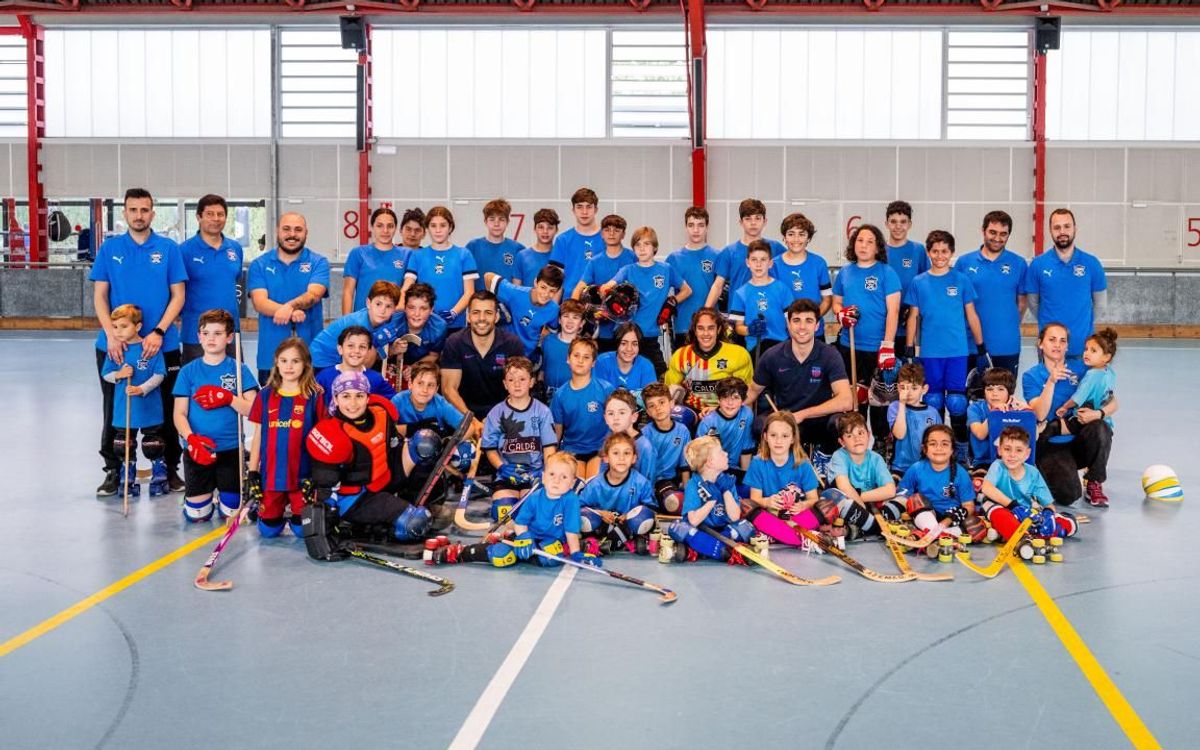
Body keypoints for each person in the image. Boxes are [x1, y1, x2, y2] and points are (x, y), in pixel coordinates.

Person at [91, 187, 186, 496]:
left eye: (144, 210)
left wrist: (158, 332)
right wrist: (111, 335)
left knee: (167, 407)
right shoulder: (110, 248)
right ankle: (114, 470)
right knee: (115, 408)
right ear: (125, 213)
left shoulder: (168, 249)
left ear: (152, 213)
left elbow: (178, 296)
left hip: (161, 345)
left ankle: (168, 469)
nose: (139, 215)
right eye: (133, 210)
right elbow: (100, 296)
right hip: (116, 346)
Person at [304, 371, 437, 545]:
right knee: (414, 524)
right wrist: (326, 527)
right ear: (335, 399)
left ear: (368, 397)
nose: (353, 403)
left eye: (359, 396)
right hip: (357, 498)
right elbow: (325, 489)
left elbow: (395, 445)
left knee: (426, 443)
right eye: (345, 396)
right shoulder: (331, 433)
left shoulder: (381, 412)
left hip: (383, 478)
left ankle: (410, 499)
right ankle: (376, 527)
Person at [428, 452, 599, 569]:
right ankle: (461, 552)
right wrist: (523, 537)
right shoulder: (535, 497)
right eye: (552, 474)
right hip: (529, 536)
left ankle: (512, 543)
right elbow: (521, 523)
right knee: (502, 557)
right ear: (544, 476)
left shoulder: (571, 500)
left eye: (564, 477)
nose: (557, 480)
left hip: (551, 542)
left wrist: (576, 554)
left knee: (550, 558)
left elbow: (570, 531)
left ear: (572, 483)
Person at [903, 229, 985, 463]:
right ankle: (933, 451)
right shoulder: (919, 282)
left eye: (945, 251)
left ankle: (961, 450)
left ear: (952, 253)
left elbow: (971, 314)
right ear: (928, 252)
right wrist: (909, 347)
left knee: (957, 403)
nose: (940, 256)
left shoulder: (961, 280)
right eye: (935, 251)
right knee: (933, 401)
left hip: (957, 352)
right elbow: (913, 316)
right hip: (930, 353)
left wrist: (981, 345)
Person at [745, 299, 851, 471]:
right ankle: (781, 462)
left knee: (840, 422)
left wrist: (802, 414)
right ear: (788, 324)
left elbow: (846, 400)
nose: (802, 327)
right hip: (785, 422)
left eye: (808, 321)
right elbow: (751, 393)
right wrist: (721, 409)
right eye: (796, 320)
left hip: (819, 421)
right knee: (760, 424)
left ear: (817, 326)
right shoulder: (772, 356)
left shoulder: (830, 355)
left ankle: (824, 457)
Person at [173, 309, 259, 523]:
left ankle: (229, 494)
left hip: (230, 449)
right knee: (197, 516)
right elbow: (179, 413)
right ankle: (196, 499)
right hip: (197, 449)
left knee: (230, 513)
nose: (211, 338)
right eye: (206, 333)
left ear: (229, 337)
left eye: (218, 333)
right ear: (199, 336)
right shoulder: (188, 372)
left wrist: (228, 398)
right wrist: (191, 439)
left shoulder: (239, 370)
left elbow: (253, 411)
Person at [1022, 322, 1116, 507]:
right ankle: (1044, 471)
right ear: (1040, 343)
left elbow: (1113, 401)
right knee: (1068, 495)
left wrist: (1098, 413)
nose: (1057, 345)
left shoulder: (1083, 368)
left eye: (1062, 341)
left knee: (1101, 427)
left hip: (1078, 439)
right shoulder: (1031, 376)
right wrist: (1051, 381)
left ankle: (1094, 481)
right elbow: (1040, 414)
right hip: (1051, 443)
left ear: (1067, 346)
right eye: (1052, 340)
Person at [247, 337, 325, 538]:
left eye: (295, 361)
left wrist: (318, 476)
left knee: (302, 532)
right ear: (276, 362)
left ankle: (296, 515)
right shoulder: (265, 395)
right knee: (268, 531)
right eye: (284, 361)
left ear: (305, 364)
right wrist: (253, 472)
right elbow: (258, 436)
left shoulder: (314, 396)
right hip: (272, 477)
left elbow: (322, 439)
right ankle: (266, 512)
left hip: (303, 478)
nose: (289, 366)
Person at [831, 223, 901, 440]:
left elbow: (893, 311)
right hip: (850, 345)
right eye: (860, 240)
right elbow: (836, 303)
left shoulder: (886, 272)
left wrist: (888, 345)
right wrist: (841, 314)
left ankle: (881, 443)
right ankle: (854, 441)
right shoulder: (845, 272)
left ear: (878, 247)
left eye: (870, 241)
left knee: (879, 399)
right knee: (855, 399)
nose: (864, 245)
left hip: (878, 348)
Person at [247, 211, 330, 383]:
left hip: (311, 356)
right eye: (286, 229)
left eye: (298, 230)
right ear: (277, 231)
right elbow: (260, 302)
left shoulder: (318, 262)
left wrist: (289, 307)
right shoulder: (259, 265)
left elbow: (314, 295)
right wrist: (292, 311)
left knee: (311, 400)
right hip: (270, 357)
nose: (292, 234)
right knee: (271, 401)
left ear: (306, 233)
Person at [100, 304, 168, 498]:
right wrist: (119, 374)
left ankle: (159, 477)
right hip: (125, 409)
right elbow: (106, 374)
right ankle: (127, 478)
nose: (118, 331)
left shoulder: (150, 348)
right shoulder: (115, 350)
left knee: (153, 444)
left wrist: (141, 389)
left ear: (137, 326)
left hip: (148, 408)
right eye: (115, 327)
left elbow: (159, 374)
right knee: (123, 444)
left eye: (124, 326)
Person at [1024, 208, 1107, 363]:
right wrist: (1050, 326)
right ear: (1050, 230)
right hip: (1050, 352)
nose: (1062, 231)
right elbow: (1033, 304)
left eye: (1067, 226)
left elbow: (1100, 305)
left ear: (1075, 228)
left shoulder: (1092, 263)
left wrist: (1082, 323)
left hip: (1083, 350)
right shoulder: (1038, 265)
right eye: (1057, 227)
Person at [605, 226, 690, 374]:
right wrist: (613, 296)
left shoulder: (666, 269)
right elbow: (607, 287)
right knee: (623, 375)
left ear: (655, 247)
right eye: (637, 245)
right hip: (625, 336)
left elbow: (687, 290)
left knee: (661, 375)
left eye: (646, 244)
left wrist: (672, 302)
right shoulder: (627, 270)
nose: (642, 249)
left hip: (650, 335)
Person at [481, 356, 558, 518]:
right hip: (506, 475)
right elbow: (490, 449)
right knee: (503, 512)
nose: (517, 384)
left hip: (534, 475)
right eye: (511, 380)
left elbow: (549, 449)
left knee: (530, 512)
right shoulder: (496, 413)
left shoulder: (543, 412)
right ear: (505, 384)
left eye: (522, 379)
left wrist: (546, 473)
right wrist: (501, 467)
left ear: (531, 382)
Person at [954, 210, 1028, 376]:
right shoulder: (964, 263)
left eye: (1003, 234)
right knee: (968, 392)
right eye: (993, 232)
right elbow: (956, 304)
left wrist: (1005, 325)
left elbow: (1022, 303)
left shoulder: (1019, 263)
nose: (997, 238)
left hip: (1006, 346)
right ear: (983, 231)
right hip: (970, 345)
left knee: (1004, 392)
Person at [664, 435, 755, 564]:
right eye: (721, 452)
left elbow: (735, 517)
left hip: (724, 530)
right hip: (701, 529)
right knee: (678, 527)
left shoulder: (727, 481)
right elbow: (694, 520)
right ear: (710, 462)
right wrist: (712, 500)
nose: (726, 454)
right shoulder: (693, 484)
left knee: (746, 527)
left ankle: (703, 549)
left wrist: (726, 491)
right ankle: (724, 552)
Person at [980, 426, 1079, 541]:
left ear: (1027, 454)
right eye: (1007, 449)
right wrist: (1013, 506)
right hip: (999, 508)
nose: (1012, 455)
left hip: (1024, 514)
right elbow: (986, 488)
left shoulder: (1033, 473)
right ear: (999, 450)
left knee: (1051, 523)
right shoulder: (997, 466)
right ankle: (1022, 538)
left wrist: (1048, 514)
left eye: (1019, 450)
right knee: (999, 514)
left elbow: (1048, 504)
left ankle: (1015, 533)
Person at [439, 290, 525, 420]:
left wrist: (492, 421)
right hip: (461, 414)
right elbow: (448, 390)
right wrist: (472, 421)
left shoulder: (512, 343)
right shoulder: (454, 342)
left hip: (502, 415)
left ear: (496, 316)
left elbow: (517, 388)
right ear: (468, 316)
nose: (482, 318)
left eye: (488, 313)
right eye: (476, 312)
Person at [742, 411, 824, 546]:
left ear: (793, 438)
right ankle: (801, 537)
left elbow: (813, 499)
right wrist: (767, 501)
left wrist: (803, 505)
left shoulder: (803, 463)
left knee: (825, 506)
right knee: (747, 507)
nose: (778, 441)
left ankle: (779, 536)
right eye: (773, 435)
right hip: (771, 517)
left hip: (796, 518)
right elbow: (754, 499)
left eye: (785, 436)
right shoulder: (757, 462)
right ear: (765, 436)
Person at [179, 194, 242, 365]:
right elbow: (176, 292)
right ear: (199, 217)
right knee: (196, 381)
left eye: (220, 214)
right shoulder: (183, 251)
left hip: (230, 333)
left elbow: (233, 281)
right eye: (210, 214)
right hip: (197, 335)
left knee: (232, 380)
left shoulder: (235, 248)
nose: (216, 219)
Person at [823, 411, 903, 539]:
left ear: (868, 435)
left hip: (866, 505)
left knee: (903, 498)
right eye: (850, 436)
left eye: (860, 433)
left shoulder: (876, 458)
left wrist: (861, 499)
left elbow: (890, 490)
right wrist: (863, 508)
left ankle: (860, 528)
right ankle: (877, 527)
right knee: (842, 502)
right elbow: (844, 488)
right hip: (849, 506)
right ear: (842, 442)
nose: (857, 439)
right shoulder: (839, 456)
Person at [896, 424, 980, 542]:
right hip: (925, 517)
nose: (939, 448)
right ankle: (942, 536)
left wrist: (948, 520)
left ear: (952, 449)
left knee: (976, 525)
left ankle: (929, 535)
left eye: (944, 444)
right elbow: (902, 494)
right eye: (933, 444)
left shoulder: (961, 473)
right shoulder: (916, 469)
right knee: (915, 500)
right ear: (924, 449)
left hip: (951, 520)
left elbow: (969, 506)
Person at [579, 432, 658, 556]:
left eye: (626, 453)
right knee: (584, 516)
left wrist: (630, 515)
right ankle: (609, 542)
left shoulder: (641, 483)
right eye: (616, 453)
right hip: (602, 526)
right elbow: (579, 507)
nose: (621, 458)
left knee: (644, 517)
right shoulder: (595, 484)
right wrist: (600, 513)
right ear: (606, 458)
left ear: (634, 458)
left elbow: (652, 510)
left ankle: (603, 544)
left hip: (628, 527)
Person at [665, 307, 754, 413]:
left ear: (718, 329)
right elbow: (669, 392)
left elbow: (746, 395)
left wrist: (719, 411)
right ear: (695, 330)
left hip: (728, 410)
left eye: (711, 328)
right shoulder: (680, 355)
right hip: (693, 411)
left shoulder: (738, 354)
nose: (706, 333)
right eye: (700, 328)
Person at [705, 198, 787, 313]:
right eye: (748, 219)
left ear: (765, 221)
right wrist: (704, 313)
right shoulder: (729, 252)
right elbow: (717, 286)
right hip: (738, 314)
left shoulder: (776, 248)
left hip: (770, 312)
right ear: (741, 222)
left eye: (757, 218)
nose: (753, 223)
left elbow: (788, 275)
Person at [403, 206, 478, 331]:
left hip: (456, 325)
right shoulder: (417, 256)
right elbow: (406, 288)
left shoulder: (464, 254)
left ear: (450, 227)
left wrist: (454, 312)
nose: (438, 230)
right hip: (425, 325)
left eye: (442, 225)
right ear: (427, 228)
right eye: (433, 226)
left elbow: (469, 292)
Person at [551, 337, 614, 479]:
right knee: (578, 484)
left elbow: (616, 425)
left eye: (586, 357)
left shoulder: (606, 389)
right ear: (568, 359)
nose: (580, 361)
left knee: (593, 482)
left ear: (593, 362)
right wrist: (553, 460)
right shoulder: (560, 395)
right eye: (576, 355)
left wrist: (609, 449)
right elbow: (557, 432)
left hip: (600, 449)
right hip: (572, 450)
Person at [308, 280, 402, 371]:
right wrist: (376, 342)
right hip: (320, 362)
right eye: (378, 304)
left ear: (394, 309)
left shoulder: (381, 322)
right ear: (368, 303)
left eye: (388, 306)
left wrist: (392, 350)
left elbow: (371, 355)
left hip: (336, 361)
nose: (382, 310)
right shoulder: (359, 324)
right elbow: (361, 366)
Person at [574, 214, 634, 349]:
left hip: (627, 329)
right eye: (607, 230)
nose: (611, 233)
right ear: (602, 234)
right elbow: (580, 287)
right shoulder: (595, 261)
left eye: (616, 230)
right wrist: (574, 312)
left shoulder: (633, 258)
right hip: (602, 330)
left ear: (623, 234)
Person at [772, 212, 832, 340]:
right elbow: (773, 302)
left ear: (808, 238)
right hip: (784, 334)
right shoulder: (773, 265)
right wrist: (791, 324)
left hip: (814, 333)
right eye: (791, 234)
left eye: (801, 234)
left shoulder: (818, 263)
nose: (796, 239)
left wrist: (811, 322)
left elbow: (827, 299)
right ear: (784, 237)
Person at [666, 206, 719, 348]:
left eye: (700, 225)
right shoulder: (673, 259)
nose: (696, 230)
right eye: (691, 225)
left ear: (707, 227)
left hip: (710, 327)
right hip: (683, 325)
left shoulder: (717, 256)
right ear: (686, 227)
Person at [729, 239, 790, 359]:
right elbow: (738, 327)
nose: (758, 264)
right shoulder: (740, 293)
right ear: (747, 262)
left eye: (763, 259)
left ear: (770, 263)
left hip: (781, 347)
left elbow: (791, 322)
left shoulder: (782, 289)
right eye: (754, 260)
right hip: (755, 348)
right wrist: (750, 330)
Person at [486, 265, 563, 358]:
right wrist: (496, 308)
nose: (546, 294)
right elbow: (488, 276)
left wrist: (540, 341)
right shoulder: (516, 293)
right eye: (543, 287)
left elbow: (551, 330)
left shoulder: (554, 310)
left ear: (557, 291)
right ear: (536, 282)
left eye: (552, 291)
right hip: (504, 348)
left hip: (528, 354)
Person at [341, 207, 406, 315]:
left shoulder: (406, 255)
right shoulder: (358, 253)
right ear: (372, 227)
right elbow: (348, 292)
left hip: (394, 320)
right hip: (363, 319)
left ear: (395, 228)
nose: (385, 231)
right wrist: (347, 322)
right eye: (380, 226)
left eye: (390, 226)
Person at [883, 200, 931, 346]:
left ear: (910, 224)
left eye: (903, 222)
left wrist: (917, 309)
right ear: (886, 224)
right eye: (893, 221)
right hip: (883, 324)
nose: (898, 226)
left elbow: (927, 285)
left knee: (910, 360)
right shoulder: (879, 251)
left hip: (910, 325)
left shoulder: (918, 250)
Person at [966, 367, 1027, 474]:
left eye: (1000, 389)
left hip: (1012, 461)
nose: (994, 393)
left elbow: (1031, 437)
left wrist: (1027, 413)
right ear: (984, 391)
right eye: (989, 389)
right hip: (983, 462)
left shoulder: (1017, 408)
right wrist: (995, 412)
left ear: (1009, 392)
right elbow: (980, 434)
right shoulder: (975, 408)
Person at [1056, 327, 1118, 430]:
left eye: (1093, 351)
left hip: (1086, 418)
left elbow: (1077, 398)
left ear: (1106, 357)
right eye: (1086, 349)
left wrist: (1065, 407)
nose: (1087, 353)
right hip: (1105, 418)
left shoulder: (1092, 375)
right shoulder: (1110, 372)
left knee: (1054, 427)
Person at [549, 187, 603, 304]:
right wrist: (553, 312)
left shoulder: (607, 239)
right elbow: (555, 282)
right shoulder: (563, 240)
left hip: (600, 307)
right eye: (579, 207)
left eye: (589, 207)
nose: (584, 212)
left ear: (596, 209)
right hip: (570, 306)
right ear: (573, 210)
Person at [888, 362, 942, 478]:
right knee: (893, 487)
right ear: (898, 387)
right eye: (904, 388)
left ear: (924, 389)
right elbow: (900, 434)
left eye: (914, 388)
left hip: (927, 467)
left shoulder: (933, 412)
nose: (908, 393)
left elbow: (938, 442)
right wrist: (902, 404)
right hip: (900, 468)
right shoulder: (895, 407)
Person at [314, 326, 397, 399]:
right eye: (350, 346)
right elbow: (313, 405)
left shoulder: (376, 378)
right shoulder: (324, 377)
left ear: (368, 351)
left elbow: (394, 402)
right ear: (340, 349)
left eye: (362, 347)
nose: (356, 351)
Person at [387, 282, 448, 380]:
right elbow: (380, 353)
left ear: (431, 309)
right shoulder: (392, 322)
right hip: (391, 366)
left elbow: (433, 355)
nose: (416, 314)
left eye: (423, 308)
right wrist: (392, 350)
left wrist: (415, 367)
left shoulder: (439, 327)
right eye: (411, 308)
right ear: (405, 307)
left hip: (421, 368)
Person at [697, 377, 755, 476]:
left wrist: (745, 476)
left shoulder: (747, 414)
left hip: (735, 469)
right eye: (725, 397)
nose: (730, 403)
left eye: (735, 397)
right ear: (718, 400)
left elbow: (746, 448)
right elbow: (700, 459)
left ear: (743, 400)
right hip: (712, 470)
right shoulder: (707, 422)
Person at [390, 361, 466, 437]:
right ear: (410, 384)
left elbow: (468, 427)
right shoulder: (398, 401)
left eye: (430, 385)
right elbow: (386, 430)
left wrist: (449, 441)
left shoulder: (441, 404)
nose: (425, 390)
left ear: (436, 389)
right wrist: (413, 428)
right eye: (420, 383)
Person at [599, 388, 656, 485]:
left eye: (622, 412)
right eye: (611, 413)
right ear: (606, 419)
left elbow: (647, 484)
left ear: (634, 417)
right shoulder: (607, 442)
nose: (616, 418)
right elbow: (603, 477)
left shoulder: (645, 447)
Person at [467, 198, 525, 283]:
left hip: (507, 292)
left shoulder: (518, 249)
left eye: (501, 219)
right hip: (479, 292)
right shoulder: (473, 247)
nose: (496, 224)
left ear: (507, 222)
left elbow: (519, 284)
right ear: (485, 221)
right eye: (492, 219)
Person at [593, 323, 657, 398]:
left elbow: (651, 399)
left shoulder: (646, 366)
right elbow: (597, 396)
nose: (629, 349)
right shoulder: (602, 362)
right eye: (623, 343)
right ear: (617, 344)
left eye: (634, 344)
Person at [541, 299, 587, 401]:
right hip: (547, 396)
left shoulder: (585, 347)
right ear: (559, 320)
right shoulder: (548, 341)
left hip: (573, 398)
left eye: (575, 317)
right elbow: (543, 368)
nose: (570, 321)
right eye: (566, 316)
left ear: (582, 323)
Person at [514, 208, 559, 286]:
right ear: (534, 229)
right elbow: (516, 289)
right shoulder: (522, 256)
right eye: (541, 227)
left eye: (550, 227)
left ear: (556, 230)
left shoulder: (561, 256)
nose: (545, 231)